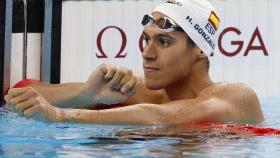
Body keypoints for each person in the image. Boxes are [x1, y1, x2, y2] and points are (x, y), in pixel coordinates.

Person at [4, 0, 264, 125]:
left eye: (164, 42)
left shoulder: (236, 97)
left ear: (199, 50)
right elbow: (16, 97)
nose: (146, 53)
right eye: (146, 39)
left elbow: (165, 117)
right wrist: (86, 93)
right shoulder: (141, 93)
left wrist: (61, 115)